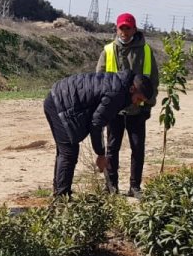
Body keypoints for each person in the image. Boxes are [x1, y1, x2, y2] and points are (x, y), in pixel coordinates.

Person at [43, 70, 154, 198]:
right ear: (132, 89)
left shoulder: (121, 86)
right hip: (59, 102)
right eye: (138, 99)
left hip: (60, 98)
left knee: (65, 151)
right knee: (68, 152)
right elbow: (96, 124)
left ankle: (59, 192)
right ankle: (62, 198)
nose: (137, 103)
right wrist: (101, 154)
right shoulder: (116, 93)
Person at [96, 13, 159, 196]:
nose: (124, 32)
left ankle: (135, 187)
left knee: (137, 149)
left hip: (137, 110)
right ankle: (111, 186)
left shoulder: (146, 51)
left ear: (134, 29)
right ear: (117, 29)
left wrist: (148, 104)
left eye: (128, 28)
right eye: (121, 28)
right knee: (112, 148)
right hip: (114, 110)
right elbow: (98, 80)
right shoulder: (108, 50)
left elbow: (153, 80)